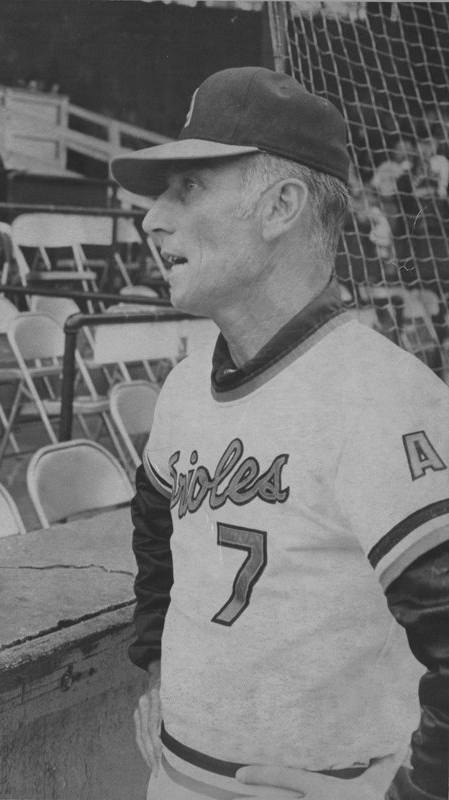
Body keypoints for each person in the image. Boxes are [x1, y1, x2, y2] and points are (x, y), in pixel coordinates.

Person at [110, 67, 448, 800]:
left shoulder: (385, 397)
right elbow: (153, 523)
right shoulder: (183, 384)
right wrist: (157, 662)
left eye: (188, 187)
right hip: (175, 775)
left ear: (281, 205)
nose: (152, 218)